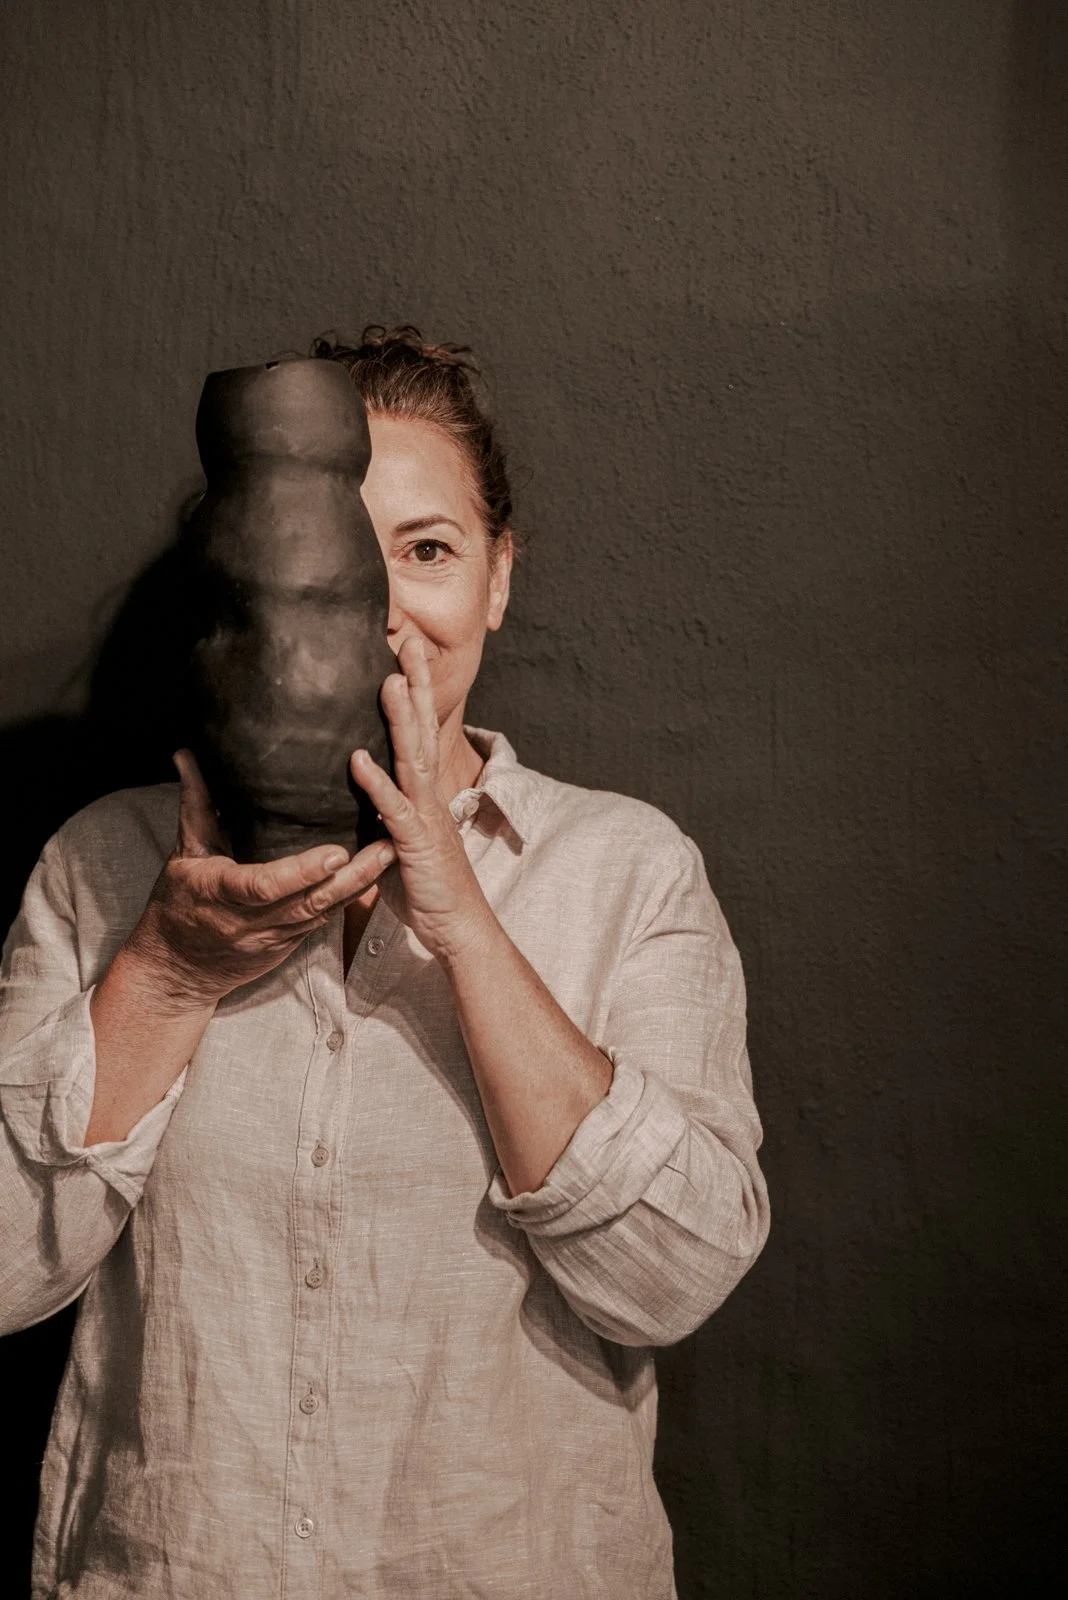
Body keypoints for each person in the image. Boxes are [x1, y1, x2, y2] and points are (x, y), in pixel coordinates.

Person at [0, 326, 770, 1599]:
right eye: (334, 552)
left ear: (498, 579)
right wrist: (172, 974)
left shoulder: (625, 870)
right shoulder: (101, 863)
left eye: (426, 551)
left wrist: (463, 920)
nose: (375, 608)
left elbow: (671, 1280)